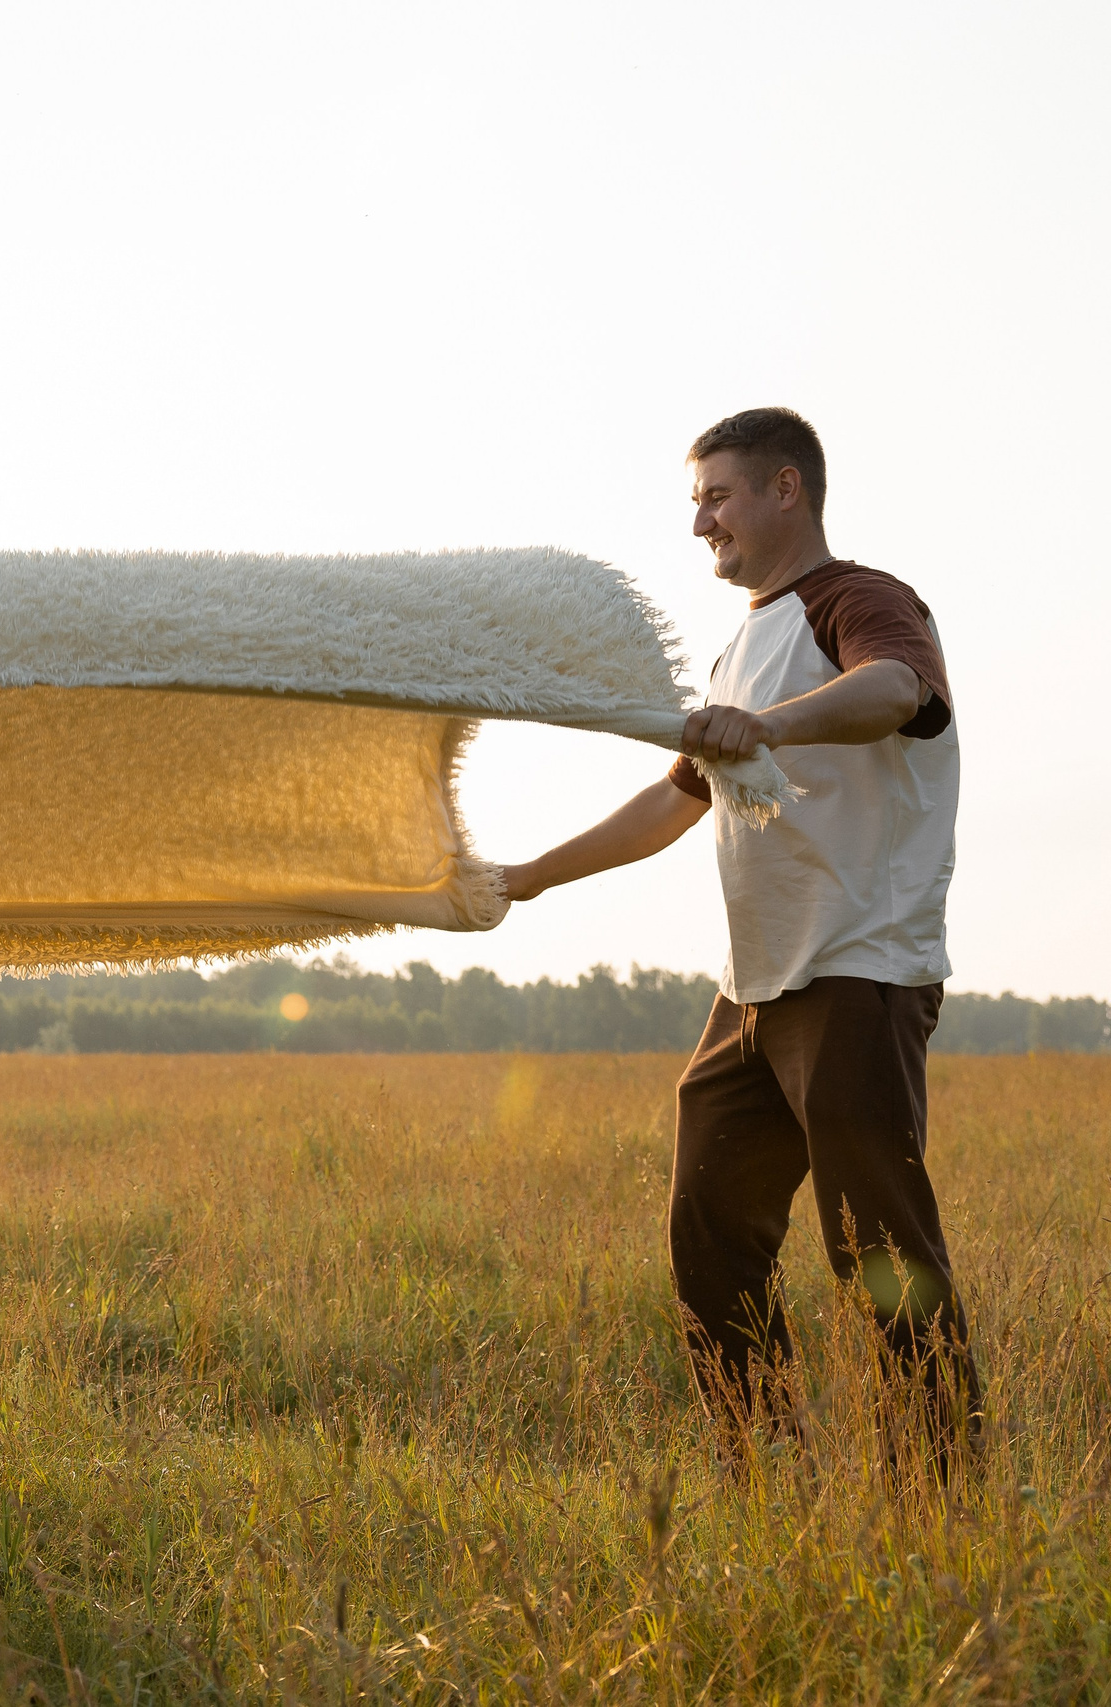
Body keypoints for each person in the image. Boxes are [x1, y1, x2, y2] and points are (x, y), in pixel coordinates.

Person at [500, 407, 980, 1469]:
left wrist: (769, 725)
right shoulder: (734, 654)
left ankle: (947, 1496)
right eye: (695, 503)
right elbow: (672, 804)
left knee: (880, 1256)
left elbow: (897, 691)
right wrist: (525, 880)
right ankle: (763, 1462)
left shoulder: (857, 601)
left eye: (715, 497)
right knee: (709, 1233)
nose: (699, 523)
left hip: (857, 971)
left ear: (784, 490)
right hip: (754, 990)